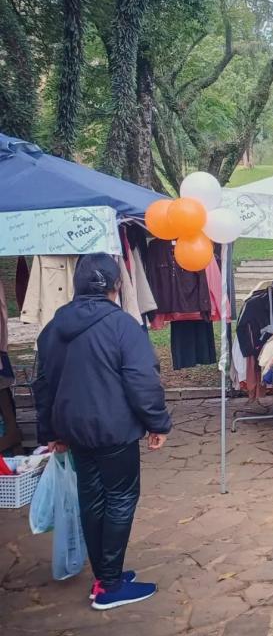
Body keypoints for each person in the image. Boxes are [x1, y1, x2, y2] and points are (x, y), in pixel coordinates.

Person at [34, 253, 171, 610]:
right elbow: (142, 380)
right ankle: (109, 586)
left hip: (74, 430)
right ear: (117, 285)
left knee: (92, 500)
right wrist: (157, 422)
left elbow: (42, 384)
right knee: (120, 499)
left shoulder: (53, 328)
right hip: (114, 430)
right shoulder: (123, 326)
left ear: (77, 284)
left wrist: (51, 431)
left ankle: (105, 576)